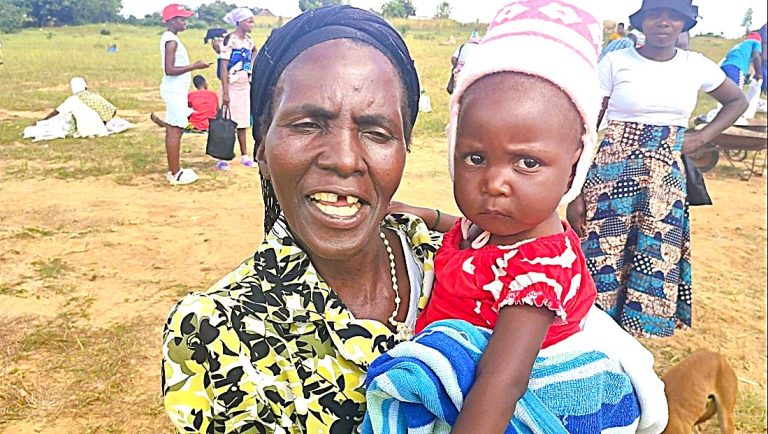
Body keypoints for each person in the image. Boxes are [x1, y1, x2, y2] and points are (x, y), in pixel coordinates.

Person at [162, 6, 437, 432]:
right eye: (308, 124)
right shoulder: (219, 333)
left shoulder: (447, 258)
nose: (345, 160)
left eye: (377, 133)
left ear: (404, 149)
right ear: (262, 150)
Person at [567, 0, 747, 338]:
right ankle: (592, 331)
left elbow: (737, 100)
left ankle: (633, 335)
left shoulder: (697, 66)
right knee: (600, 250)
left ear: (683, 24)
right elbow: (588, 124)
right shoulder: (616, 61)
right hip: (610, 170)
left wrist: (702, 136)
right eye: (655, 14)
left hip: (664, 176)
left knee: (654, 248)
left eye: (673, 17)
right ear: (642, 21)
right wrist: (576, 191)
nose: (663, 22)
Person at [159, 3, 211, 186]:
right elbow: (169, 69)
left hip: (175, 90)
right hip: (174, 91)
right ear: (172, 21)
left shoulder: (171, 38)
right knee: (175, 130)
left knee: (175, 129)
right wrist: (195, 66)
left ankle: (174, 169)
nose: (185, 22)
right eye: (181, 19)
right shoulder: (171, 41)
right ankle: (175, 173)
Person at [215, 7, 257, 171]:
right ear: (239, 22)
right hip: (231, 86)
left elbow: (254, 52)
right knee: (227, 122)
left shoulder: (248, 41)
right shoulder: (229, 40)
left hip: (244, 85)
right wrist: (225, 92)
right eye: (249, 21)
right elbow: (224, 66)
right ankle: (222, 156)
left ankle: (245, 155)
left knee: (243, 122)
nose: (252, 24)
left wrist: (250, 70)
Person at [42, 77, 116, 127]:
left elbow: (56, 112)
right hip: (101, 128)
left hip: (84, 129)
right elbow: (112, 110)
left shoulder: (73, 100)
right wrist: (103, 122)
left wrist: (42, 121)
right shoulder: (94, 96)